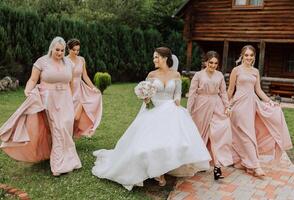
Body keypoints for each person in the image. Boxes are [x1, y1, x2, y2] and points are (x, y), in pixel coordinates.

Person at [92, 47, 211, 190]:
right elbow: (147, 96)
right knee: (146, 145)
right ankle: (157, 172)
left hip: (171, 110)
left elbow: (178, 94)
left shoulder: (176, 75)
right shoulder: (151, 74)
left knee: (175, 142)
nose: (154, 60)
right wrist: (146, 98)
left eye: (156, 57)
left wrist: (177, 102)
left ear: (165, 58)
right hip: (154, 110)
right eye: (154, 57)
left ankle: (165, 167)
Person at [0, 36, 82, 176]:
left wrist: (73, 97)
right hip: (49, 99)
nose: (60, 53)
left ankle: (71, 160)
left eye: (62, 50)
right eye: (57, 50)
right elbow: (33, 79)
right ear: (51, 48)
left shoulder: (69, 63)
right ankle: (58, 166)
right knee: (58, 128)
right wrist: (28, 90)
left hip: (66, 99)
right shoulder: (42, 62)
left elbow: (71, 83)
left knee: (67, 128)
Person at [227, 45, 292, 177]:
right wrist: (227, 105)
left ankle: (243, 161)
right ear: (242, 56)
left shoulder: (255, 72)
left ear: (254, 57)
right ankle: (256, 166)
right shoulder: (236, 70)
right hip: (239, 105)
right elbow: (230, 90)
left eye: (251, 55)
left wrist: (269, 101)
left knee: (246, 134)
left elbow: (259, 90)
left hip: (251, 105)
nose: (249, 58)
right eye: (246, 55)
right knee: (247, 134)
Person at [187, 51, 233, 180]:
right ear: (205, 62)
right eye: (210, 62)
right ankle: (198, 162)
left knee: (215, 135)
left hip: (216, 106)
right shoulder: (198, 75)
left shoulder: (220, 76)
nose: (213, 65)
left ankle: (217, 167)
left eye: (216, 63)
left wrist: (227, 106)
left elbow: (223, 93)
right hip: (201, 106)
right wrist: (188, 111)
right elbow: (192, 94)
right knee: (200, 134)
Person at [66, 38, 102, 138]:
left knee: (77, 117)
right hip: (69, 89)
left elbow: (85, 76)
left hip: (80, 90)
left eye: (78, 50)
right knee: (69, 117)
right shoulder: (65, 61)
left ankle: (72, 137)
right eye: (74, 50)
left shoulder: (81, 59)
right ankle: (67, 137)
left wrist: (93, 87)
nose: (76, 52)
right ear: (68, 49)